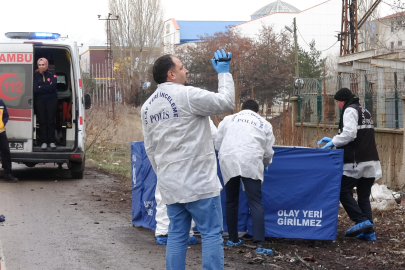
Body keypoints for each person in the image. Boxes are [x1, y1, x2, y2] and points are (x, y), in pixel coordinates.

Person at [141, 49, 234, 270]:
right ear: (171, 75)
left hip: (171, 184)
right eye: (182, 67)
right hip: (199, 182)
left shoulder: (147, 108)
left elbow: (150, 148)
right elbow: (226, 102)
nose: (186, 70)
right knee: (211, 233)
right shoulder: (187, 95)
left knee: (176, 235)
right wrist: (224, 73)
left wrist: (163, 176)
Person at [318, 88, 382, 241]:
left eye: (338, 102)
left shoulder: (350, 111)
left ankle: (361, 221)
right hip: (371, 160)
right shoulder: (364, 111)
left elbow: (350, 134)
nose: (338, 105)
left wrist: (334, 141)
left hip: (356, 162)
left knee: (342, 190)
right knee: (363, 196)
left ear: (343, 101)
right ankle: (369, 232)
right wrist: (336, 138)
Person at [214, 99, 274, 254]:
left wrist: (227, 154)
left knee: (231, 200)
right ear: (258, 111)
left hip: (229, 158)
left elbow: (218, 143)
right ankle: (260, 243)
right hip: (251, 159)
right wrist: (265, 164)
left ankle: (232, 239)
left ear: (241, 109)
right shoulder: (264, 123)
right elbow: (267, 152)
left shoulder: (228, 119)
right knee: (255, 202)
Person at [154, 117, 218, 246]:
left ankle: (163, 232)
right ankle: (186, 233)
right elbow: (215, 136)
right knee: (190, 200)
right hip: (190, 164)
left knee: (164, 197)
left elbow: (152, 140)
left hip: (166, 163)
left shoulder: (164, 109)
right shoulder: (198, 112)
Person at [33, 57, 58, 150]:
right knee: (42, 121)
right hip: (40, 101)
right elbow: (35, 89)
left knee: (50, 121)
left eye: (43, 64)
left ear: (46, 65)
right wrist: (47, 86)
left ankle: (51, 142)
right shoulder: (35, 76)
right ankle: (44, 142)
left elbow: (53, 86)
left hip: (52, 100)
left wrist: (41, 87)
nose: (41, 66)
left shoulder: (52, 74)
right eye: (39, 65)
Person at [0, 99, 18, 183]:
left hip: (1, 132)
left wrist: (3, 123)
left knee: (6, 152)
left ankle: (8, 174)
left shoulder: (1, 102)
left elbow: (6, 115)